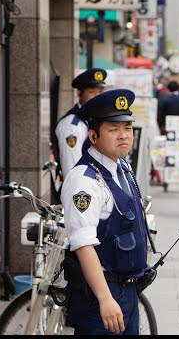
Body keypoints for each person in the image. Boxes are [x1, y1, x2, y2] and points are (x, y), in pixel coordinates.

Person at [61, 88, 150, 335]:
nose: (123, 136)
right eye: (113, 129)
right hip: (101, 296)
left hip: (128, 293)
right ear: (93, 136)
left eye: (127, 128)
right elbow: (83, 244)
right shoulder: (85, 180)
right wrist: (105, 299)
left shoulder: (121, 167)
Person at [54, 68, 107, 180]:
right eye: (92, 92)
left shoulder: (93, 118)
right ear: (79, 93)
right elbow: (72, 170)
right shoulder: (72, 125)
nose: (98, 96)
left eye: (100, 92)